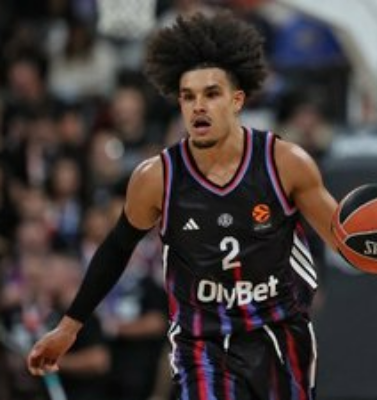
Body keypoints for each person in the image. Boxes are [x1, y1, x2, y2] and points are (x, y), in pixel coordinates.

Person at [27, 11, 338, 400]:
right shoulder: (157, 177)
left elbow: (344, 239)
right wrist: (68, 327)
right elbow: (116, 249)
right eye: (188, 96)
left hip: (278, 335)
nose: (198, 106)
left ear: (237, 100)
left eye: (211, 94)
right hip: (202, 344)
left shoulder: (284, 162)